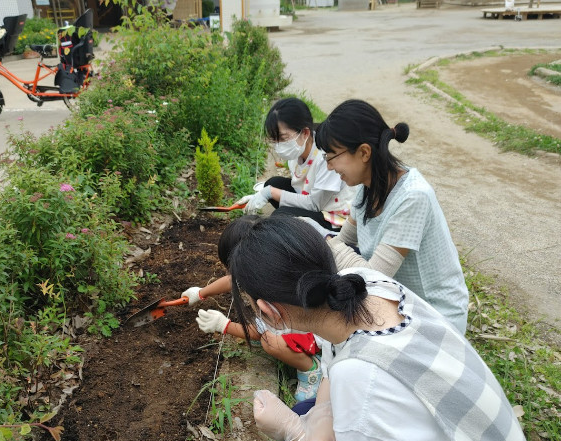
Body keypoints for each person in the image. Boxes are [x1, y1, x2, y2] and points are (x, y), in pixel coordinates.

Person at [229, 216, 545, 441]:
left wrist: (294, 434)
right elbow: (333, 362)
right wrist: (324, 414)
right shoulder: (366, 284)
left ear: (268, 311)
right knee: (313, 410)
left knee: (303, 421)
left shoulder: (363, 379)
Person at [316, 99, 469, 334]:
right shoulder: (366, 189)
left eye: (332, 156)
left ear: (364, 152)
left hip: (434, 315)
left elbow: (373, 277)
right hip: (398, 297)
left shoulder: (413, 197)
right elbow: (344, 240)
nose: (329, 167)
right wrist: (327, 245)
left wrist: (326, 244)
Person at [182, 215, 323, 402]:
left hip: (317, 336)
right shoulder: (273, 264)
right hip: (314, 319)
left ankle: (311, 369)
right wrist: (201, 293)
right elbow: (233, 281)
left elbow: (257, 333)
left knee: (270, 342)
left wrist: (223, 325)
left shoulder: (272, 301)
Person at [238, 97, 358, 230]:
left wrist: (270, 193)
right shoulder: (297, 149)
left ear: (305, 132)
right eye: (274, 139)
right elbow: (301, 189)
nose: (278, 145)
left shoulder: (326, 155)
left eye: (283, 138)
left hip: (333, 215)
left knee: (281, 215)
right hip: (312, 201)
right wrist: (265, 192)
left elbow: (315, 204)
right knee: (273, 184)